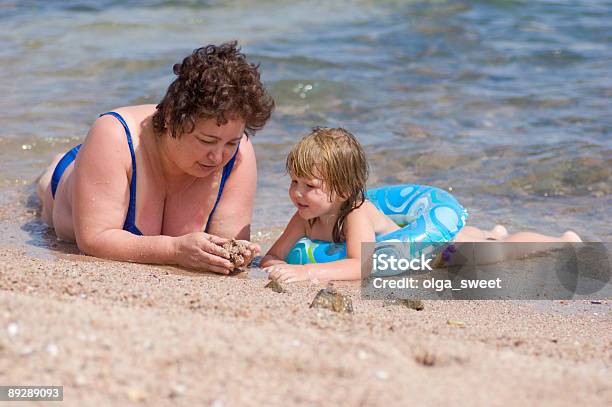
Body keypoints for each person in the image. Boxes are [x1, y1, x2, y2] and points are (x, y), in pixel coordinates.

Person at [37, 42, 274, 274]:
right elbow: (94, 238)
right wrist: (174, 250)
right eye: (207, 141)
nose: (218, 156)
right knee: (45, 185)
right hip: (90, 167)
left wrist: (235, 254)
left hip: (110, 160)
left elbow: (229, 244)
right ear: (171, 119)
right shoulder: (113, 133)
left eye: (230, 143)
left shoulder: (239, 152)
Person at [261, 127, 581, 283]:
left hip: (433, 249)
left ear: (344, 189)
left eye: (309, 186)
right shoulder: (304, 216)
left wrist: (304, 271)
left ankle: (560, 241)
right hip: (403, 236)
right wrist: (272, 264)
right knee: (484, 239)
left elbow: (362, 265)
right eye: (293, 182)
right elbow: (273, 255)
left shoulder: (354, 213)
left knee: (496, 251)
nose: (297, 194)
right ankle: (489, 230)